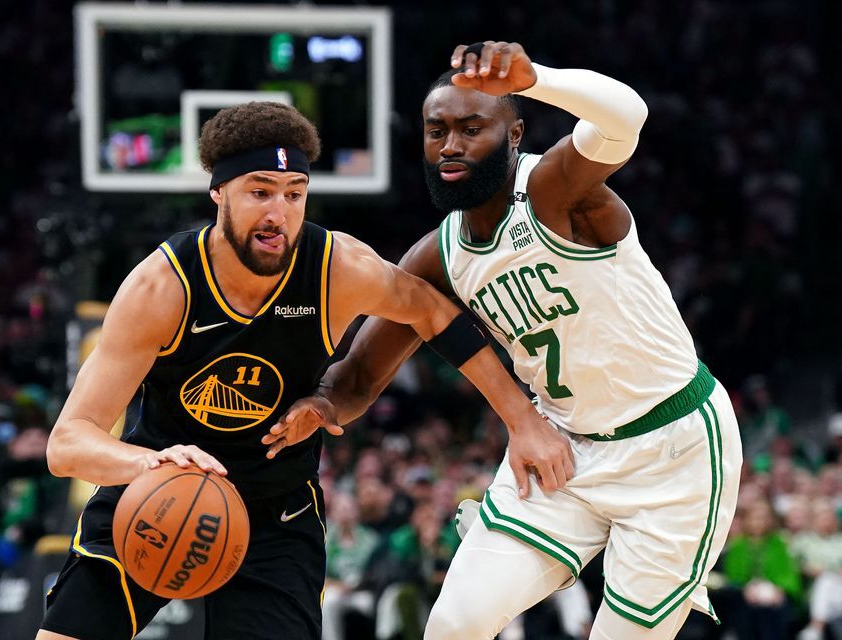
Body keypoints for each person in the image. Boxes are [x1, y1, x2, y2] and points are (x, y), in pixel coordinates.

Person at [37, 101, 571, 640]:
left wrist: (523, 422)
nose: (279, 213)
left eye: (294, 193)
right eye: (260, 191)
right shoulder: (162, 287)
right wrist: (151, 464)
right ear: (218, 192)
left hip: (276, 515)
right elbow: (67, 445)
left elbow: (434, 312)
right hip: (156, 501)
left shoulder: (337, 268)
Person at [267, 41, 743, 639]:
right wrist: (324, 405)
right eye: (436, 130)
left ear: (514, 134)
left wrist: (537, 77)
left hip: (671, 447)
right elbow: (360, 375)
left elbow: (626, 117)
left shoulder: (553, 189)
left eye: (472, 128)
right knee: (453, 624)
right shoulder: (437, 256)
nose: (451, 146)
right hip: (561, 448)